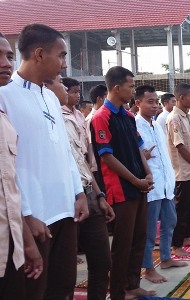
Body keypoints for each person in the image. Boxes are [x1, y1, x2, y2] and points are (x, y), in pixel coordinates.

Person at [0, 23, 89, 299]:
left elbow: (64, 150)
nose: (64, 64)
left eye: (9, 56)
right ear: (39, 54)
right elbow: (7, 168)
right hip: (35, 215)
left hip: (65, 208)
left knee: (62, 286)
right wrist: (26, 216)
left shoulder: (51, 97)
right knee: (33, 291)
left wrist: (78, 192)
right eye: (61, 55)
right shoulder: (5, 95)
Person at [91, 66, 155, 299]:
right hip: (120, 188)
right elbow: (106, 156)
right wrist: (135, 180)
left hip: (139, 185)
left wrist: (147, 175)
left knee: (139, 237)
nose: (133, 90)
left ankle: (132, 284)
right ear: (117, 88)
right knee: (122, 244)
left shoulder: (127, 117)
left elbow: (139, 149)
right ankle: (118, 291)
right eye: (131, 86)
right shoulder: (101, 117)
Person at [49, 76, 114, 300]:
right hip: (66, 197)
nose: (76, 95)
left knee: (102, 260)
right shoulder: (52, 116)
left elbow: (83, 162)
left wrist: (99, 195)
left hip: (87, 190)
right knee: (64, 270)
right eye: (70, 90)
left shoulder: (78, 117)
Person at [0, 31, 43, 300]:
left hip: (8, 243)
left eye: (8, 56)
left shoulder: (3, 117)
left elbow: (8, 188)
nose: (6, 63)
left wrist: (25, 243)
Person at [134, 85, 186, 285]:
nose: (155, 105)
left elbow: (163, 154)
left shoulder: (156, 125)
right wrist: (143, 157)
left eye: (156, 102)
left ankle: (166, 257)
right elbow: (136, 156)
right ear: (138, 103)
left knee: (170, 221)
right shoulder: (135, 125)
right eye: (150, 102)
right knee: (148, 230)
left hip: (165, 183)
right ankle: (148, 268)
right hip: (151, 186)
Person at [166, 83, 190, 256]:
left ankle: (186, 235)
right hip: (182, 171)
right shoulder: (174, 118)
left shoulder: (186, 117)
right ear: (181, 98)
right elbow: (180, 146)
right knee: (181, 209)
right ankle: (176, 244)